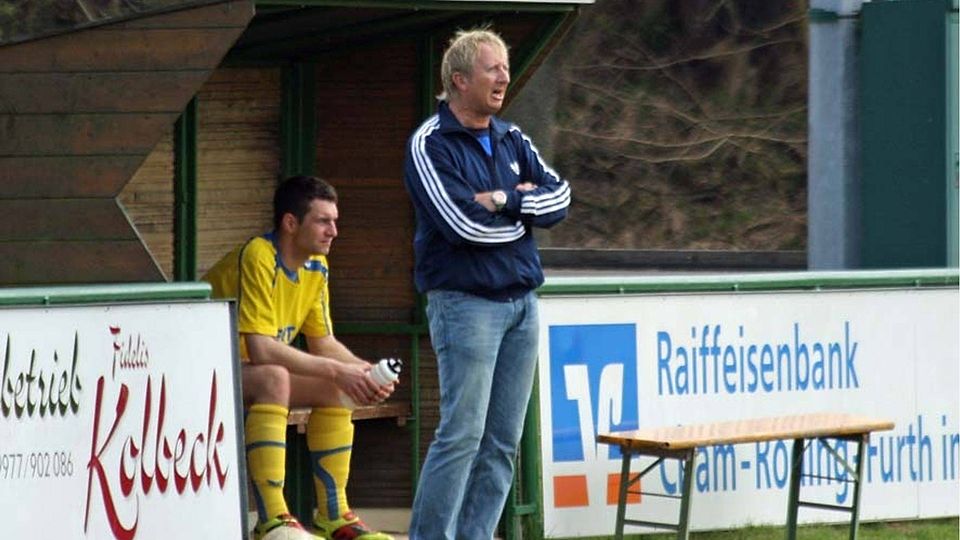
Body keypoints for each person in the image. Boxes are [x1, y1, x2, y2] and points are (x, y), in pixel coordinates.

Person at [403, 28, 571, 540]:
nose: (504, 77)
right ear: (458, 80)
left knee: (502, 442)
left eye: (505, 66)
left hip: (523, 304)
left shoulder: (512, 137)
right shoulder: (429, 144)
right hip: (465, 306)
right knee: (462, 435)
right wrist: (521, 213)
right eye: (492, 68)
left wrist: (506, 201)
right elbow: (461, 226)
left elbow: (560, 198)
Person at [204, 175, 395, 540]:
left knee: (340, 389)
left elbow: (323, 342)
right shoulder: (260, 255)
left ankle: (334, 517)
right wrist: (340, 370)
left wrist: (364, 372)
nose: (334, 231)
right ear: (291, 223)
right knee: (277, 375)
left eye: (335, 221)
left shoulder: (316, 267)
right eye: (324, 221)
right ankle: (272, 519)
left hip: (250, 374)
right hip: (205, 372)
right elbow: (259, 348)